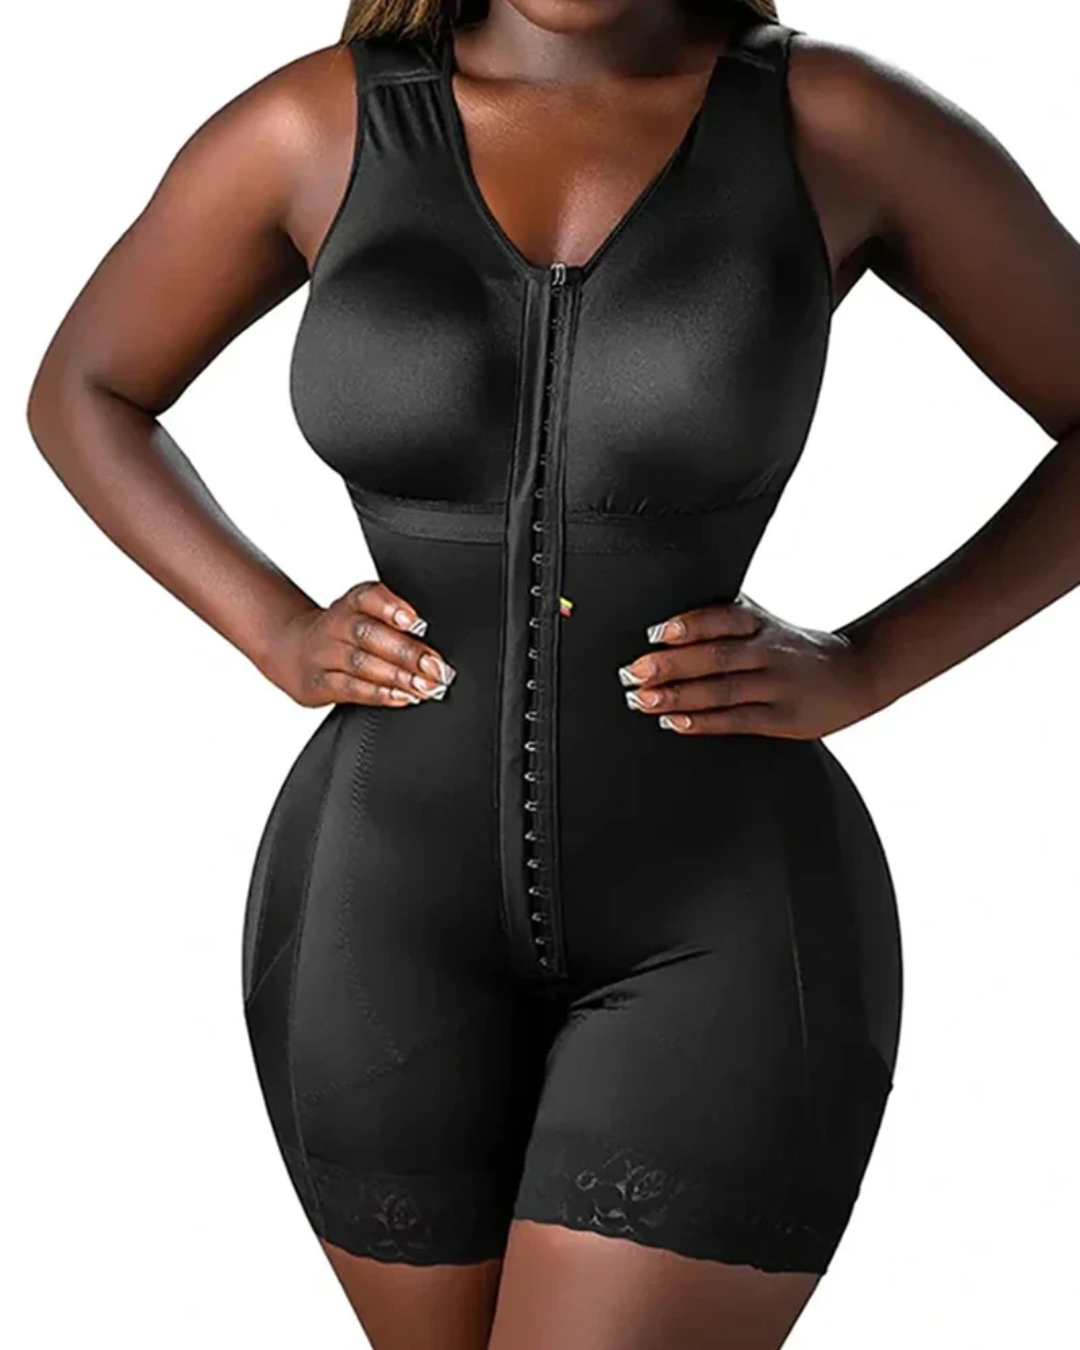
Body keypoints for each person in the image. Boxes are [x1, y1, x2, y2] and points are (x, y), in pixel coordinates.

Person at [25, 0, 1080, 1346]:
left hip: (724, 912)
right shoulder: (313, 126)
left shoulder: (832, 126)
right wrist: (274, 628)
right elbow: (86, 389)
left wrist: (872, 661)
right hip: (374, 912)